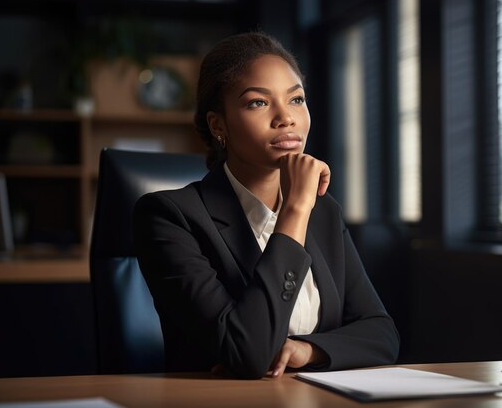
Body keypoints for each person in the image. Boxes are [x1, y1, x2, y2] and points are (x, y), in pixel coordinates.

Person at [133, 31, 399, 379]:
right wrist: (295, 211)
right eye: (258, 102)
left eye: (296, 100)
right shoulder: (170, 216)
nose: (285, 118)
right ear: (218, 125)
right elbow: (246, 353)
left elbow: (382, 335)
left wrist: (309, 350)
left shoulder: (324, 211)